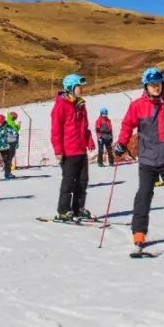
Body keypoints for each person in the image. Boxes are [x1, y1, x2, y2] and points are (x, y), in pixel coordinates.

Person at [114, 67, 164, 248]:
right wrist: (121, 143)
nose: (156, 87)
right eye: (152, 84)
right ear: (146, 86)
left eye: (158, 83)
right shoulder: (137, 105)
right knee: (143, 195)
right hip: (147, 159)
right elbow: (127, 125)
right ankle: (139, 231)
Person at [50, 73, 95, 220]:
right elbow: (56, 130)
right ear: (70, 88)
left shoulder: (81, 105)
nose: (81, 89)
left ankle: (78, 208)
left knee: (83, 181)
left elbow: (85, 127)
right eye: (78, 86)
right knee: (69, 181)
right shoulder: (60, 107)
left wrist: (89, 140)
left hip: (81, 150)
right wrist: (58, 150)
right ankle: (63, 210)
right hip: (68, 152)